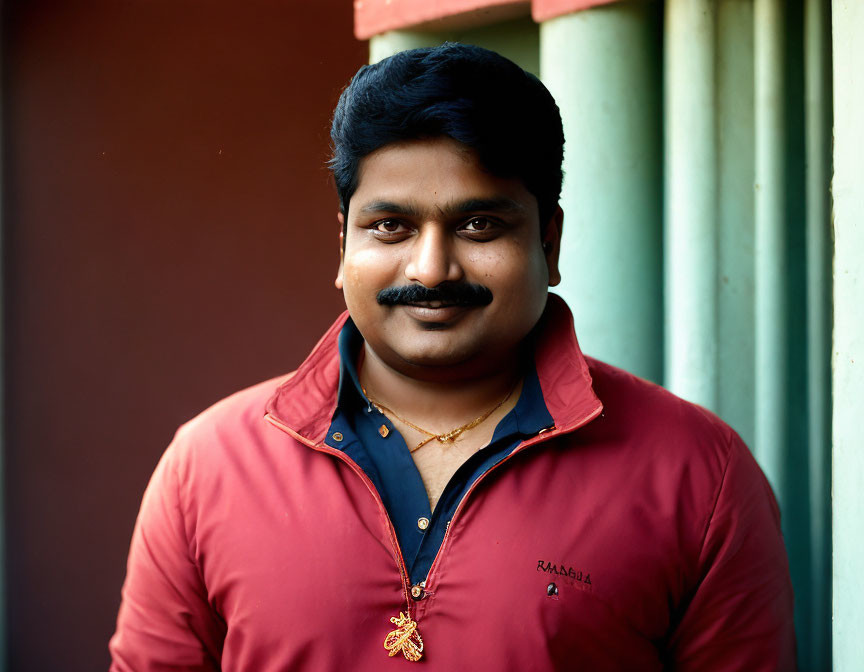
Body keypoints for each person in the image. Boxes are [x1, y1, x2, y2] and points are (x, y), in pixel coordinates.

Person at [109, 43, 796, 671]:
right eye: (391, 226)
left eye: (478, 224)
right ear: (343, 244)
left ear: (549, 244)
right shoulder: (209, 467)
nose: (432, 268)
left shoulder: (696, 476)